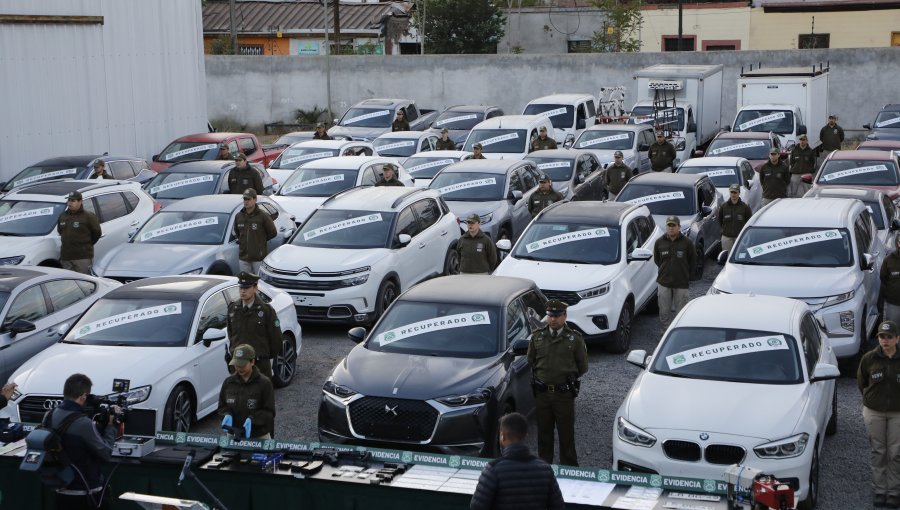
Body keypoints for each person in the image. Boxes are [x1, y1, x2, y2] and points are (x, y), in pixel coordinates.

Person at [527, 300, 588, 466]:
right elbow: (531, 361)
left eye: (557, 316)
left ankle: (569, 470)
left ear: (565, 316)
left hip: (564, 395)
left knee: (566, 434)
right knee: (544, 434)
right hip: (543, 394)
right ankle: (543, 467)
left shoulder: (574, 339)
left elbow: (582, 367)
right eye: (550, 316)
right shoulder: (537, 337)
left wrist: (565, 379)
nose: (553, 319)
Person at [46, 374, 119, 510]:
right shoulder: (83, 424)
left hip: (60, 491)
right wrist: (110, 427)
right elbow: (106, 453)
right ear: (83, 397)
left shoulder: (49, 415)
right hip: (86, 494)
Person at [469, 412, 564, 510]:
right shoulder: (545, 469)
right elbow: (558, 506)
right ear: (525, 436)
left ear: (502, 436)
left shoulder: (493, 470)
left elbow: (477, 507)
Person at [858, 320, 900, 509]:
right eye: (882, 337)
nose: (885, 340)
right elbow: (862, 383)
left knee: (895, 453)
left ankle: (893, 492)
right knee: (878, 451)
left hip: (898, 413)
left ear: (897, 338)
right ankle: (879, 490)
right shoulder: (869, 358)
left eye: (889, 337)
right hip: (874, 412)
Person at [226, 272, 282, 379]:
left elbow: (276, 340)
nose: (242, 291)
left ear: (255, 287)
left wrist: (263, 356)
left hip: (259, 365)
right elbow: (231, 335)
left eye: (247, 287)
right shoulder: (233, 309)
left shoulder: (266, 311)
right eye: (241, 287)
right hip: (238, 366)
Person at [219, 344, 276, 440]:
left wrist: (253, 419)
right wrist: (226, 415)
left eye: (242, 365)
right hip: (233, 435)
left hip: (258, 436)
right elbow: (222, 407)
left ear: (252, 362)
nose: (239, 368)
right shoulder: (228, 383)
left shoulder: (264, 383)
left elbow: (269, 412)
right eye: (237, 365)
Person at [654, 216, 696, 332]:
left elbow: (693, 261)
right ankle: (665, 333)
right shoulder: (659, 242)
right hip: (664, 282)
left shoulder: (687, 243)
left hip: (681, 283)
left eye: (674, 226)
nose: (671, 228)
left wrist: (688, 277)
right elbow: (657, 260)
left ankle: (679, 334)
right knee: (664, 311)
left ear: (679, 227)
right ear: (666, 227)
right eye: (669, 225)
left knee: (681, 312)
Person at [234, 188, 277, 275]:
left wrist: (260, 241)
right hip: (243, 258)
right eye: (244, 199)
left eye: (248, 199)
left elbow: (273, 232)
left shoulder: (263, 215)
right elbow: (237, 232)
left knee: (259, 283)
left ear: (255, 199)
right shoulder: (239, 216)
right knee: (245, 284)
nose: (246, 201)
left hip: (258, 258)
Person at [57, 191, 102, 275]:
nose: (70, 203)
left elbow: (97, 233)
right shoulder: (63, 216)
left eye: (73, 201)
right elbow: (60, 231)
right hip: (66, 257)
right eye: (69, 200)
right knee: (68, 283)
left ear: (80, 202)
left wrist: (85, 245)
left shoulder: (88, 216)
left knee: (85, 282)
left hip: (82, 257)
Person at [717, 184, 753, 252]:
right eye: (731, 192)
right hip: (726, 238)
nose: (733, 194)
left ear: (739, 193)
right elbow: (720, 220)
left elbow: (749, 222)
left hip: (740, 238)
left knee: (740, 256)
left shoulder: (745, 207)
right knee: (727, 257)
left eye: (735, 192)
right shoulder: (723, 207)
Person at [880, 237, 900, 324]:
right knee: (892, 329)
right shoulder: (889, 260)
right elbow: (883, 278)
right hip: (893, 302)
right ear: (898, 243)